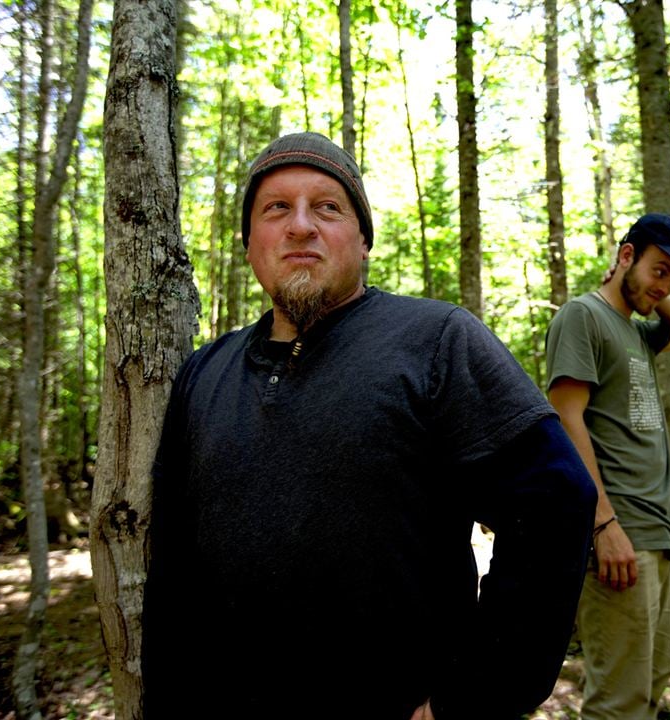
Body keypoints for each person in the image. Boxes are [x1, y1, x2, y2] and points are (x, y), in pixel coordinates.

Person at [141, 131, 597, 719]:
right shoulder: (205, 373)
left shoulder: (435, 340)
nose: (301, 225)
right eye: (276, 207)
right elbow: (174, 570)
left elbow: (554, 502)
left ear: (362, 240)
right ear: (250, 243)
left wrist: (472, 697)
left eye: (327, 207)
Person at [545, 213, 670, 720]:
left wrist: (654, 287)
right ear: (625, 255)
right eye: (659, 270)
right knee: (619, 703)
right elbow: (564, 419)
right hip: (619, 534)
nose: (666, 287)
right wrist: (604, 523)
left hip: (654, 536)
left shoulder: (636, 333)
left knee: (651, 687)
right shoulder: (584, 317)